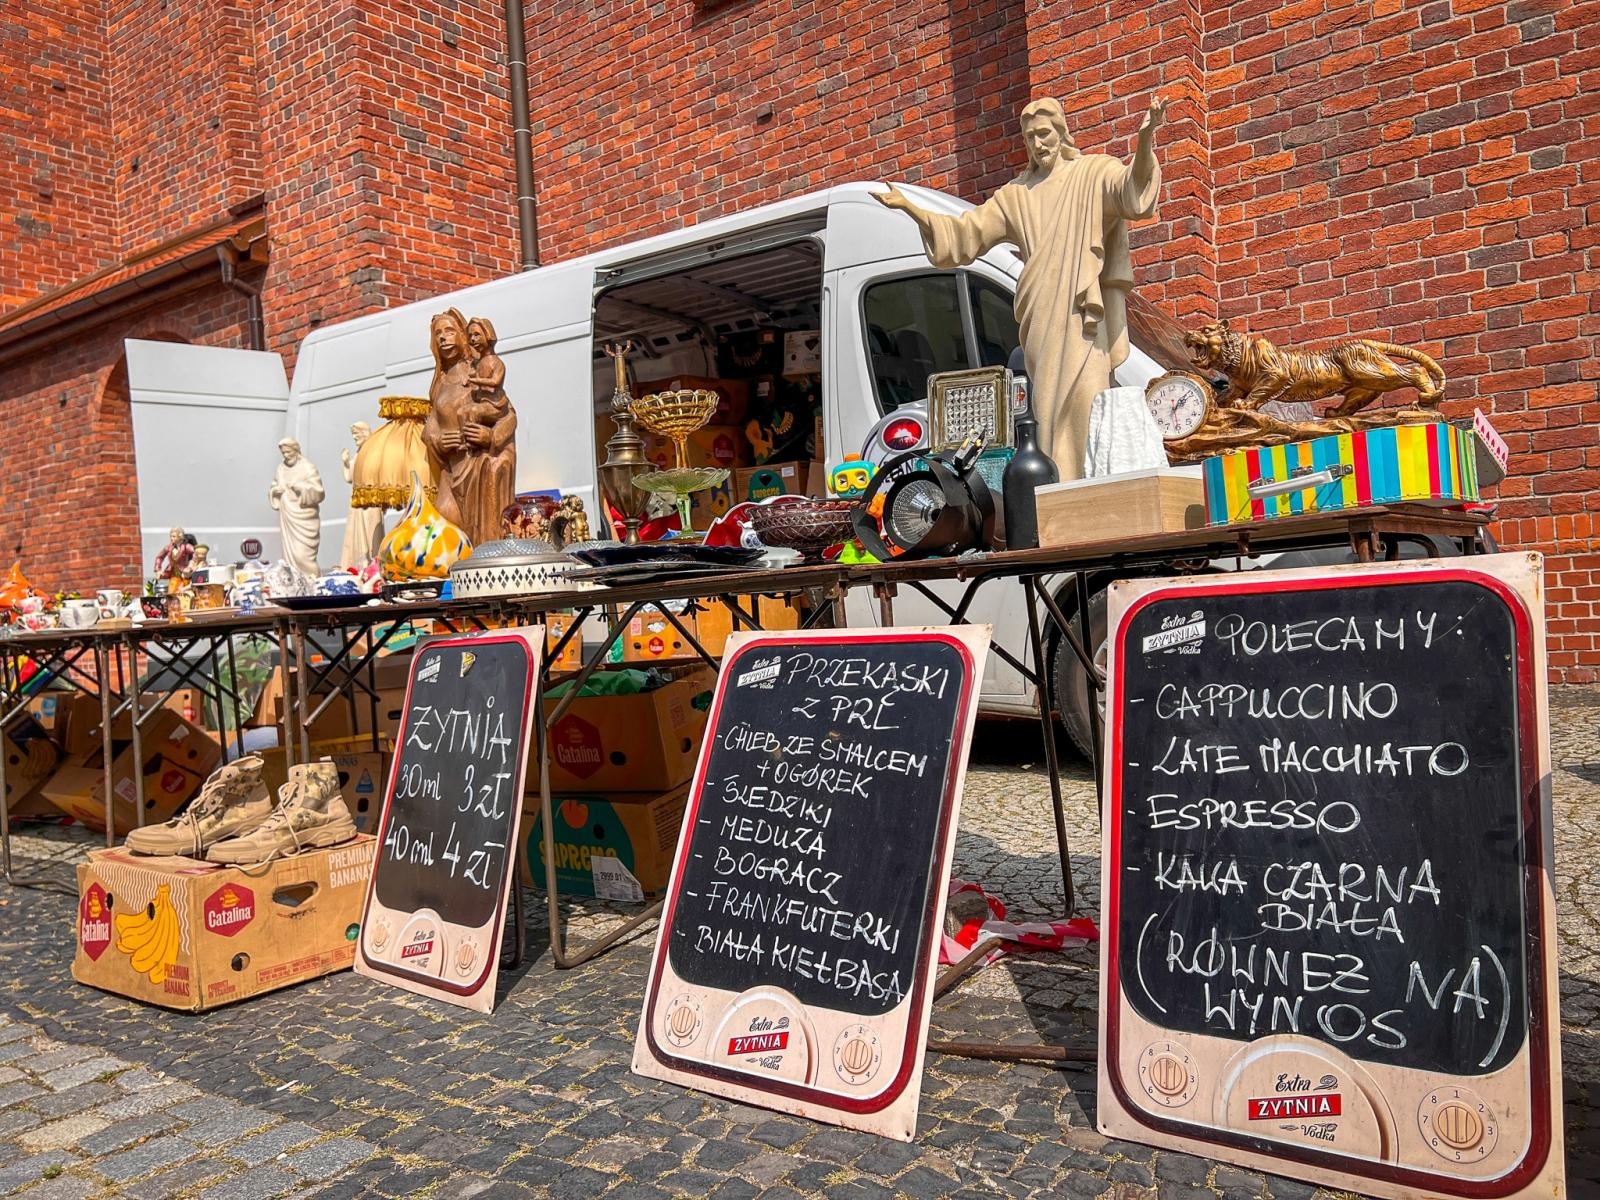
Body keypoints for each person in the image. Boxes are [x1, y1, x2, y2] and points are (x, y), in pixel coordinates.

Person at [876, 95, 1166, 479]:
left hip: (1082, 311)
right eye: (1030, 138)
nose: (1038, 144)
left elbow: (1132, 193)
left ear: (1061, 133)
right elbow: (967, 232)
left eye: (1044, 134)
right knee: (1047, 406)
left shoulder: (1093, 173)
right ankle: (1059, 487)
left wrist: (1145, 142)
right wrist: (911, 208)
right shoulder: (1017, 195)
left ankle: (1092, 484)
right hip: (1041, 309)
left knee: (1090, 395)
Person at [421, 309, 517, 545]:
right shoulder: (440, 383)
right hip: (453, 469)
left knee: (483, 534)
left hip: (480, 464)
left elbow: (507, 414)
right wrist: (439, 441)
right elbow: (430, 428)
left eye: (449, 331)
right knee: (445, 520)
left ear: (463, 335)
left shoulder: (478, 369)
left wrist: (490, 436)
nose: (443, 337)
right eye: (438, 334)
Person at [268, 437, 325, 577]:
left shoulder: (307, 467)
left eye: (288, 452)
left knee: (302, 555)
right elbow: (274, 486)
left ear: (296, 450)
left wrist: (301, 488)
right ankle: (295, 581)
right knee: (290, 556)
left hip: (304, 518)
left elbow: (319, 491)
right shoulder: (281, 468)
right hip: (288, 516)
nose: (286, 455)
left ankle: (313, 579)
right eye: (283, 453)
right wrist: (275, 491)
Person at [338, 421, 385, 567]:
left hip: (371, 501)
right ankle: (357, 565)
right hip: (358, 502)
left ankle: (371, 565)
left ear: (365, 434)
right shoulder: (359, 453)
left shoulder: (375, 453)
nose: (354, 438)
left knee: (371, 533)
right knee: (356, 535)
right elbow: (351, 477)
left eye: (357, 435)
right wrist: (347, 463)